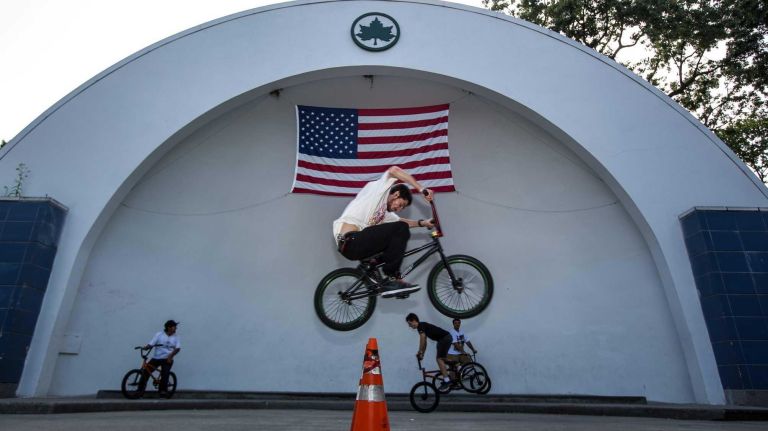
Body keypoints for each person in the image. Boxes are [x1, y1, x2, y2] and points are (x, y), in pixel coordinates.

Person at [333, 166, 434, 298]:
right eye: (401, 204)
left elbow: (403, 222)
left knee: (396, 233)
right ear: (396, 194)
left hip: (357, 246)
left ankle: (372, 270)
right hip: (350, 240)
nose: (399, 209)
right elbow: (394, 170)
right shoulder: (380, 190)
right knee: (400, 228)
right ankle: (392, 277)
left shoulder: (385, 214)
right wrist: (421, 189)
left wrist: (423, 223)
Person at [406, 312, 453, 390]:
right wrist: (422, 354)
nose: (409, 326)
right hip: (444, 338)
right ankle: (455, 365)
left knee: (439, 359)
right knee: (442, 358)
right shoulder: (422, 326)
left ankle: (447, 380)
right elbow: (425, 343)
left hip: (444, 338)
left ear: (414, 320)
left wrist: (420, 351)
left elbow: (423, 338)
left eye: (410, 323)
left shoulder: (420, 326)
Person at [139, 319, 181, 398]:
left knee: (165, 373)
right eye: (174, 327)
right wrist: (146, 347)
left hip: (167, 358)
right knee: (145, 372)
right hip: (156, 358)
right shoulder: (159, 334)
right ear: (169, 327)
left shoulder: (176, 337)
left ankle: (163, 391)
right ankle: (139, 391)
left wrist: (170, 356)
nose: (176, 328)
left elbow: (177, 348)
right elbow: (151, 343)